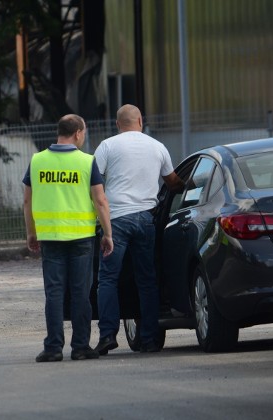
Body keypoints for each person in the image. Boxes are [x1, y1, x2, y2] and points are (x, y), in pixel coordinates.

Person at [93, 104, 184, 354]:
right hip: (146, 220)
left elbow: (94, 181)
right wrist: (191, 186)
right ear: (140, 121)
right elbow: (173, 182)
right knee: (147, 281)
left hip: (117, 220)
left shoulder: (107, 146)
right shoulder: (157, 147)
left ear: (117, 124)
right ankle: (150, 339)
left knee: (108, 279)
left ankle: (108, 335)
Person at [23, 114, 114, 362]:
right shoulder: (86, 162)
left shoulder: (37, 161)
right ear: (77, 133)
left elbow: (27, 201)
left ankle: (53, 348)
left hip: (50, 237)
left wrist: (31, 232)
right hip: (81, 238)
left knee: (54, 293)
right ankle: (81, 347)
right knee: (80, 293)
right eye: (83, 133)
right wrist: (107, 233)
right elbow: (100, 200)